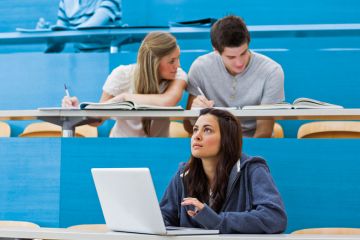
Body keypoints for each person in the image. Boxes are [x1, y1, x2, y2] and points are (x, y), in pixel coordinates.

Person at [160, 108, 287, 233]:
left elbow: (274, 217)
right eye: (195, 129)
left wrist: (216, 220)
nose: (196, 136)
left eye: (207, 130)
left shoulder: (252, 169)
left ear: (227, 139)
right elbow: (164, 217)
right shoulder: (183, 174)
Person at [62, 31, 188, 137]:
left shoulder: (179, 75)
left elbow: (167, 101)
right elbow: (97, 120)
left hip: (157, 149)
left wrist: (125, 98)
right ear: (153, 62)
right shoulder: (122, 74)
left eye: (178, 58)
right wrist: (77, 111)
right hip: (120, 146)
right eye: (172, 61)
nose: (178, 65)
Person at [185, 15, 285, 138]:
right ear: (216, 51)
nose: (239, 63)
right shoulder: (200, 68)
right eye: (231, 57)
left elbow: (263, 132)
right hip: (213, 143)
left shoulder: (271, 71)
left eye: (243, 53)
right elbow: (188, 127)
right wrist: (194, 114)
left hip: (253, 145)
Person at [46, 0, 122, 52]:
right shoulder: (65, 2)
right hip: (79, 60)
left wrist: (64, 33)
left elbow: (92, 26)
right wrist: (48, 35)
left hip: (108, 60)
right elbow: (59, 45)